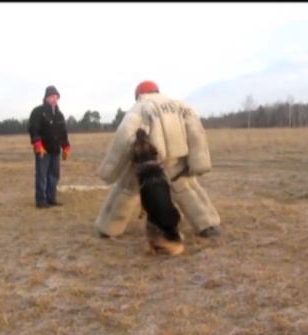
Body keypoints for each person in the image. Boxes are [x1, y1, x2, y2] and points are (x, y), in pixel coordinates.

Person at [95, 80, 221, 238]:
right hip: (178, 160)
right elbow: (196, 132)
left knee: (125, 191)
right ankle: (208, 225)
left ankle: (108, 229)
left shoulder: (140, 107)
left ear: (139, 94)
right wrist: (199, 162)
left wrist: (109, 170)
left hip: (150, 161)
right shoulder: (181, 106)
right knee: (189, 190)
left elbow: (124, 136)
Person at [28, 85, 71, 208]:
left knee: (54, 175)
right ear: (46, 97)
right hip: (43, 150)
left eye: (56, 97)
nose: (54, 99)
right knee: (42, 175)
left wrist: (66, 146)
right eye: (52, 96)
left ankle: (51, 198)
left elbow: (63, 132)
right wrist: (37, 144)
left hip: (55, 150)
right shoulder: (38, 112)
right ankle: (41, 201)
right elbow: (33, 129)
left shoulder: (59, 115)